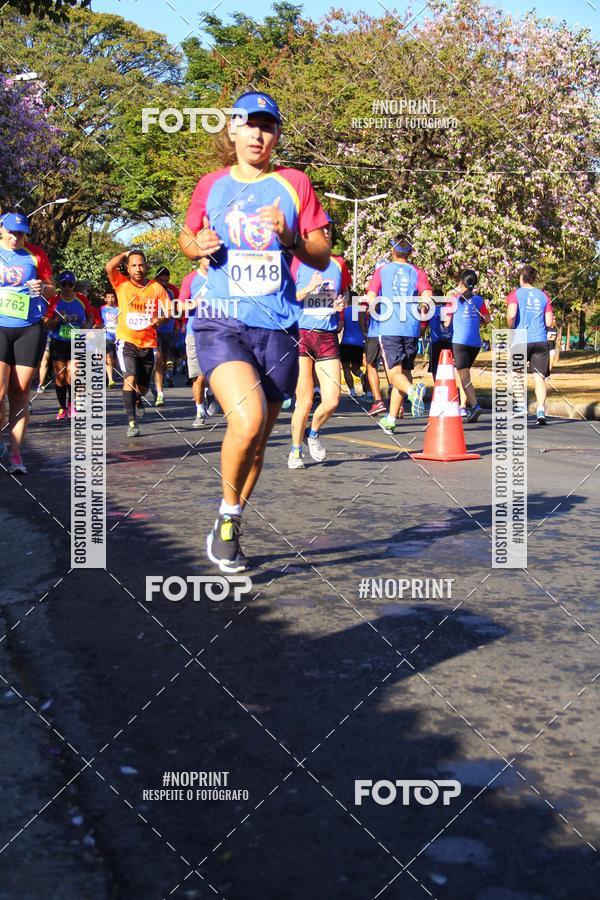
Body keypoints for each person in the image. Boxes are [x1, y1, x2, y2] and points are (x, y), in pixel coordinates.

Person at [179, 90, 329, 573]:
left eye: (267, 125)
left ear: (276, 134)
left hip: (279, 326)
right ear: (233, 130)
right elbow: (187, 237)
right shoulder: (212, 185)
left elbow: (321, 254)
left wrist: (289, 236)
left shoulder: (294, 184)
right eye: (248, 124)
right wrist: (195, 243)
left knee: (260, 439)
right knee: (245, 420)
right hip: (221, 319)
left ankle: (234, 518)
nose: (257, 133)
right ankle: (224, 516)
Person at [288, 222, 351, 468]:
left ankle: (312, 433)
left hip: (326, 336)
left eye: (329, 230)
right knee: (303, 400)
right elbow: (287, 298)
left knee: (333, 399)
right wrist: (308, 289)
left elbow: (346, 292)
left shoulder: (338, 263)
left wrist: (341, 302)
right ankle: (295, 451)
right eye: (321, 229)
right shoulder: (296, 261)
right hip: (302, 333)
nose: (326, 233)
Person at [0, 211, 55, 474]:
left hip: (29, 328)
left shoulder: (36, 254)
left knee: (20, 393)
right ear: (1, 229)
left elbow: (51, 288)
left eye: (21, 233)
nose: (16, 238)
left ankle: (16, 456)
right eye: (11, 232)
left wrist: (42, 288)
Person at [366, 237, 432, 434]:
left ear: (392, 251)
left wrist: (375, 309)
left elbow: (370, 297)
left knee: (394, 375)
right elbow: (427, 297)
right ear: (410, 252)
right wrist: (420, 311)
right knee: (404, 374)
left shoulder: (382, 271)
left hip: (390, 328)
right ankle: (391, 419)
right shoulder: (417, 272)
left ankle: (413, 392)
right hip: (411, 329)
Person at [105, 249, 170, 437]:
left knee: (142, 388)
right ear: (127, 268)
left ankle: (137, 399)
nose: (138, 269)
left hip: (148, 343)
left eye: (141, 264)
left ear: (147, 266)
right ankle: (132, 422)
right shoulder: (121, 284)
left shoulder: (156, 288)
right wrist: (125, 253)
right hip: (126, 341)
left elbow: (168, 311)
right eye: (133, 265)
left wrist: (160, 320)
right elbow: (109, 266)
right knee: (129, 379)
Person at [506, 264, 554, 425]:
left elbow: (512, 315)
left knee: (517, 373)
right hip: (540, 340)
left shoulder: (515, 295)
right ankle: (541, 409)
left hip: (520, 339)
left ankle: (520, 406)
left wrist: (510, 328)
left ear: (521, 277)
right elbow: (548, 321)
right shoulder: (543, 296)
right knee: (539, 377)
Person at [45, 271, 95, 420]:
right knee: (60, 377)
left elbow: (91, 315)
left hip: (77, 341)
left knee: (73, 374)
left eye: (70, 284)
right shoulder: (54, 301)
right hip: (59, 342)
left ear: (74, 285)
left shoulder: (82, 299)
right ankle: (62, 407)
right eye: (64, 285)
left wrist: (87, 324)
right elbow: (47, 324)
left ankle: (72, 404)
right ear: (60, 285)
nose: (67, 287)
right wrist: (57, 320)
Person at [443, 269, 490, 423]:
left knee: (464, 377)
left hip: (460, 343)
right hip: (475, 343)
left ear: (461, 282)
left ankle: (475, 405)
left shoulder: (454, 300)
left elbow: (447, 322)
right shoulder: (479, 300)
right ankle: (464, 406)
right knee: (465, 375)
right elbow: (488, 319)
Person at [179, 257, 209, 428]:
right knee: (199, 375)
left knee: (215, 371)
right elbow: (180, 306)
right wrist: (194, 303)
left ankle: (211, 393)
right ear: (200, 258)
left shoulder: (221, 276)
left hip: (216, 331)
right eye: (207, 257)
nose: (210, 260)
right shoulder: (190, 279)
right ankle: (199, 410)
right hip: (194, 332)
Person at [153, 266, 179, 404]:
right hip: (153, 331)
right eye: (161, 280)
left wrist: (178, 324)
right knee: (158, 359)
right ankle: (159, 392)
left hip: (168, 330)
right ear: (156, 279)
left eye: (166, 280)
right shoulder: (150, 288)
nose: (164, 283)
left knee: (163, 362)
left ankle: (159, 388)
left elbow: (178, 308)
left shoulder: (173, 290)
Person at [100, 287, 119, 387]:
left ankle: (115, 375)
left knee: (116, 360)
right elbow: (98, 322)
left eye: (112, 297)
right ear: (105, 298)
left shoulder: (119, 310)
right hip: (106, 337)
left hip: (118, 337)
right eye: (108, 297)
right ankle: (110, 379)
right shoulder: (101, 310)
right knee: (108, 357)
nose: (110, 299)